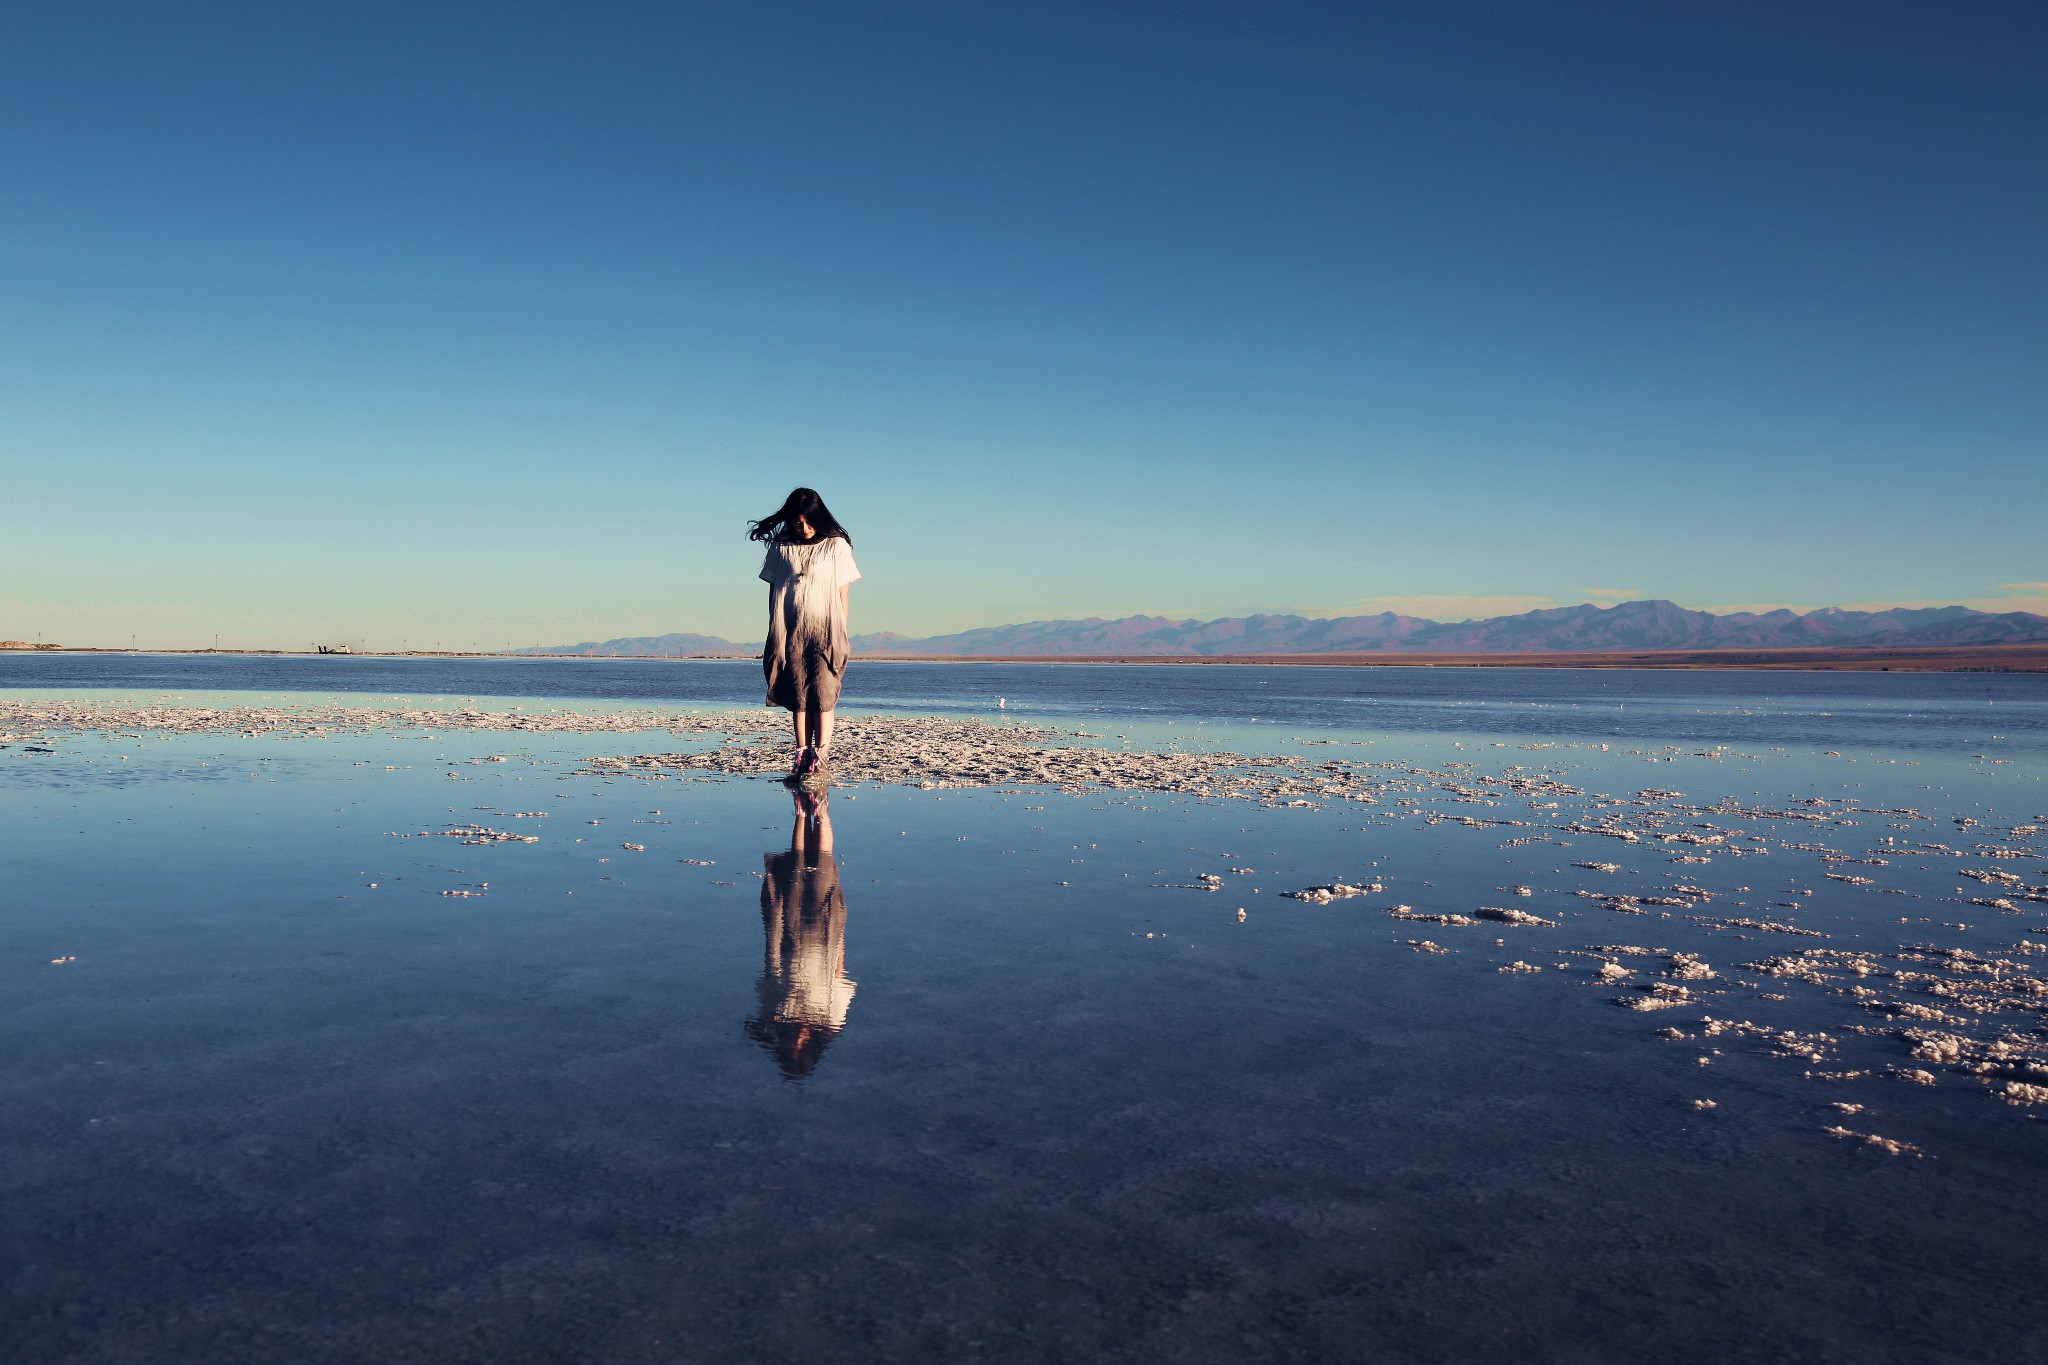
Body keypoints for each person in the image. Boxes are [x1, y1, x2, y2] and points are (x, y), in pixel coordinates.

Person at [749, 487, 860, 780]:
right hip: (790, 630)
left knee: (823, 695)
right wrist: (776, 632)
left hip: (827, 631)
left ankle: (820, 758)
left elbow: (842, 595)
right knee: (798, 696)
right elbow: (774, 593)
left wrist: (841, 634)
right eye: (798, 522)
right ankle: (802, 756)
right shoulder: (781, 547)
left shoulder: (836, 547)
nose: (804, 527)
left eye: (809, 522)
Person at [744, 789, 854, 1080]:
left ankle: (802, 813)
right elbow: (839, 974)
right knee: (824, 866)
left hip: (789, 935)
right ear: (807, 1048)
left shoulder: (775, 1014)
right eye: (794, 1049)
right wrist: (841, 937)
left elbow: (769, 970)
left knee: (797, 864)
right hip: (824, 935)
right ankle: (823, 811)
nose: (790, 1043)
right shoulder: (832, 1019)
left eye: (786, 1048)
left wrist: (773, 923)